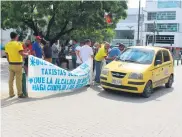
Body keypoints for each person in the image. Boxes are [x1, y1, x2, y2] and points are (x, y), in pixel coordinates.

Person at [5, 32, 29, 98]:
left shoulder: (7, 44)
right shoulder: (18, 44)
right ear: (16, 36)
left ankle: (11, 93)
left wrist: (9, 61)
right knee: (18, 80)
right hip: (18, 64)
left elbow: (7, 55)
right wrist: (27, 54)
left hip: (11, 64)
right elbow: (21, 53)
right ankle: (20, 93)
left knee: (10, 80)